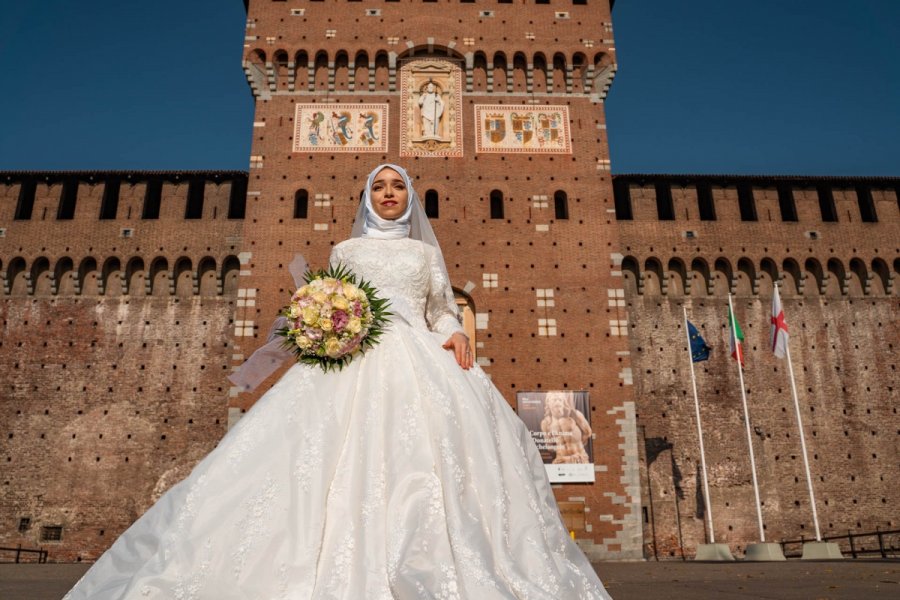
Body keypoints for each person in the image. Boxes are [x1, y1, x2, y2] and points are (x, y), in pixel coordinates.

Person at [64, 164, 612, 599]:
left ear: (410, 197)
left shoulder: (424, 254)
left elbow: (440, 310)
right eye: (381, 187)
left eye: (398, 186)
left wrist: (456, 334)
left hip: (418, 357)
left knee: (423, 463)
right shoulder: (344, 251)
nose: (390, 194)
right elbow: (335, 299)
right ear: (367, 197)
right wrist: (322, 320)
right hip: (353, 358)